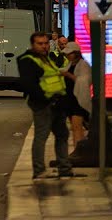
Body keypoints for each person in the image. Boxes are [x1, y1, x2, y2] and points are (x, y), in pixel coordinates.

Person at [17, 32, 75, 179]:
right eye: (40, 43)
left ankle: (64, 168)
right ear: (33, 45)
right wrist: (45, 99)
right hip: (43, 105)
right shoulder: (27, 60)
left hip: (57, 104)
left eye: (46, 43)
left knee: (62, 135)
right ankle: (39, 170)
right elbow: (29, 85)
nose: (44, 46)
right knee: (41, 136)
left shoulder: (46, 58)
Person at [61, 42, 92, 146]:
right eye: (67, 54)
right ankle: (78, 150)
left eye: (70, 53)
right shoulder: (70, 64)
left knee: (77, 127)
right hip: (70, 99)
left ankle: (78, 151)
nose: (68, 55)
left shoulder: (83, 64)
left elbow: (84, 81)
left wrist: (68, 75)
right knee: (75, 128)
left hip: (78, 100)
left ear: (76, 53)